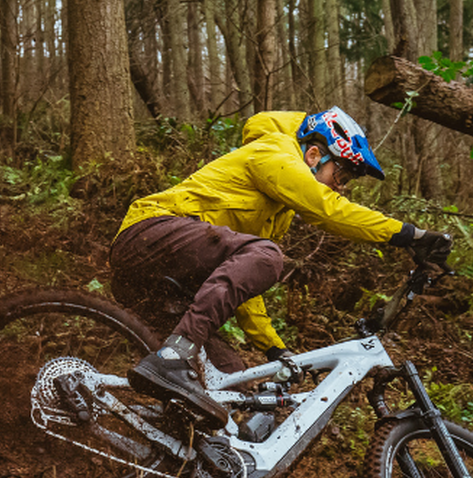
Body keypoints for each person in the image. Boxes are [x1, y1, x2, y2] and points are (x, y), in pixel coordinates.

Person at [109, 107, 452, 428]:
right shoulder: (274, 151)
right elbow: (326, 209)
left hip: (171, 280)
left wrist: (275, 349)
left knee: (230, 384)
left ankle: (163, 446)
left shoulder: (276, 213)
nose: (341, 187)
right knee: (268, 256)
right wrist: (408, 234)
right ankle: (174, 354)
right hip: (147, 235)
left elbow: (241, 282)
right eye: (342, 174)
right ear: (315, 155)